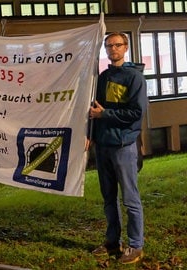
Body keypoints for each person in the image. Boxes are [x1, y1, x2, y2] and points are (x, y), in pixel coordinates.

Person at [89, 32, 147, 264]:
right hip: (102, 145)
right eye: (109, 46)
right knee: (108, 198)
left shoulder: (134, 78)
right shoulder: (103, 77)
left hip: (123, 146)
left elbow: (136, 113)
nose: (113, 49)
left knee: (130, 199)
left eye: (117, 45)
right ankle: (113, 242)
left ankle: (135, 245)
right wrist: (91, 135)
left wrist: (105, 114)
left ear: (126, 47)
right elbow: (94, 109)